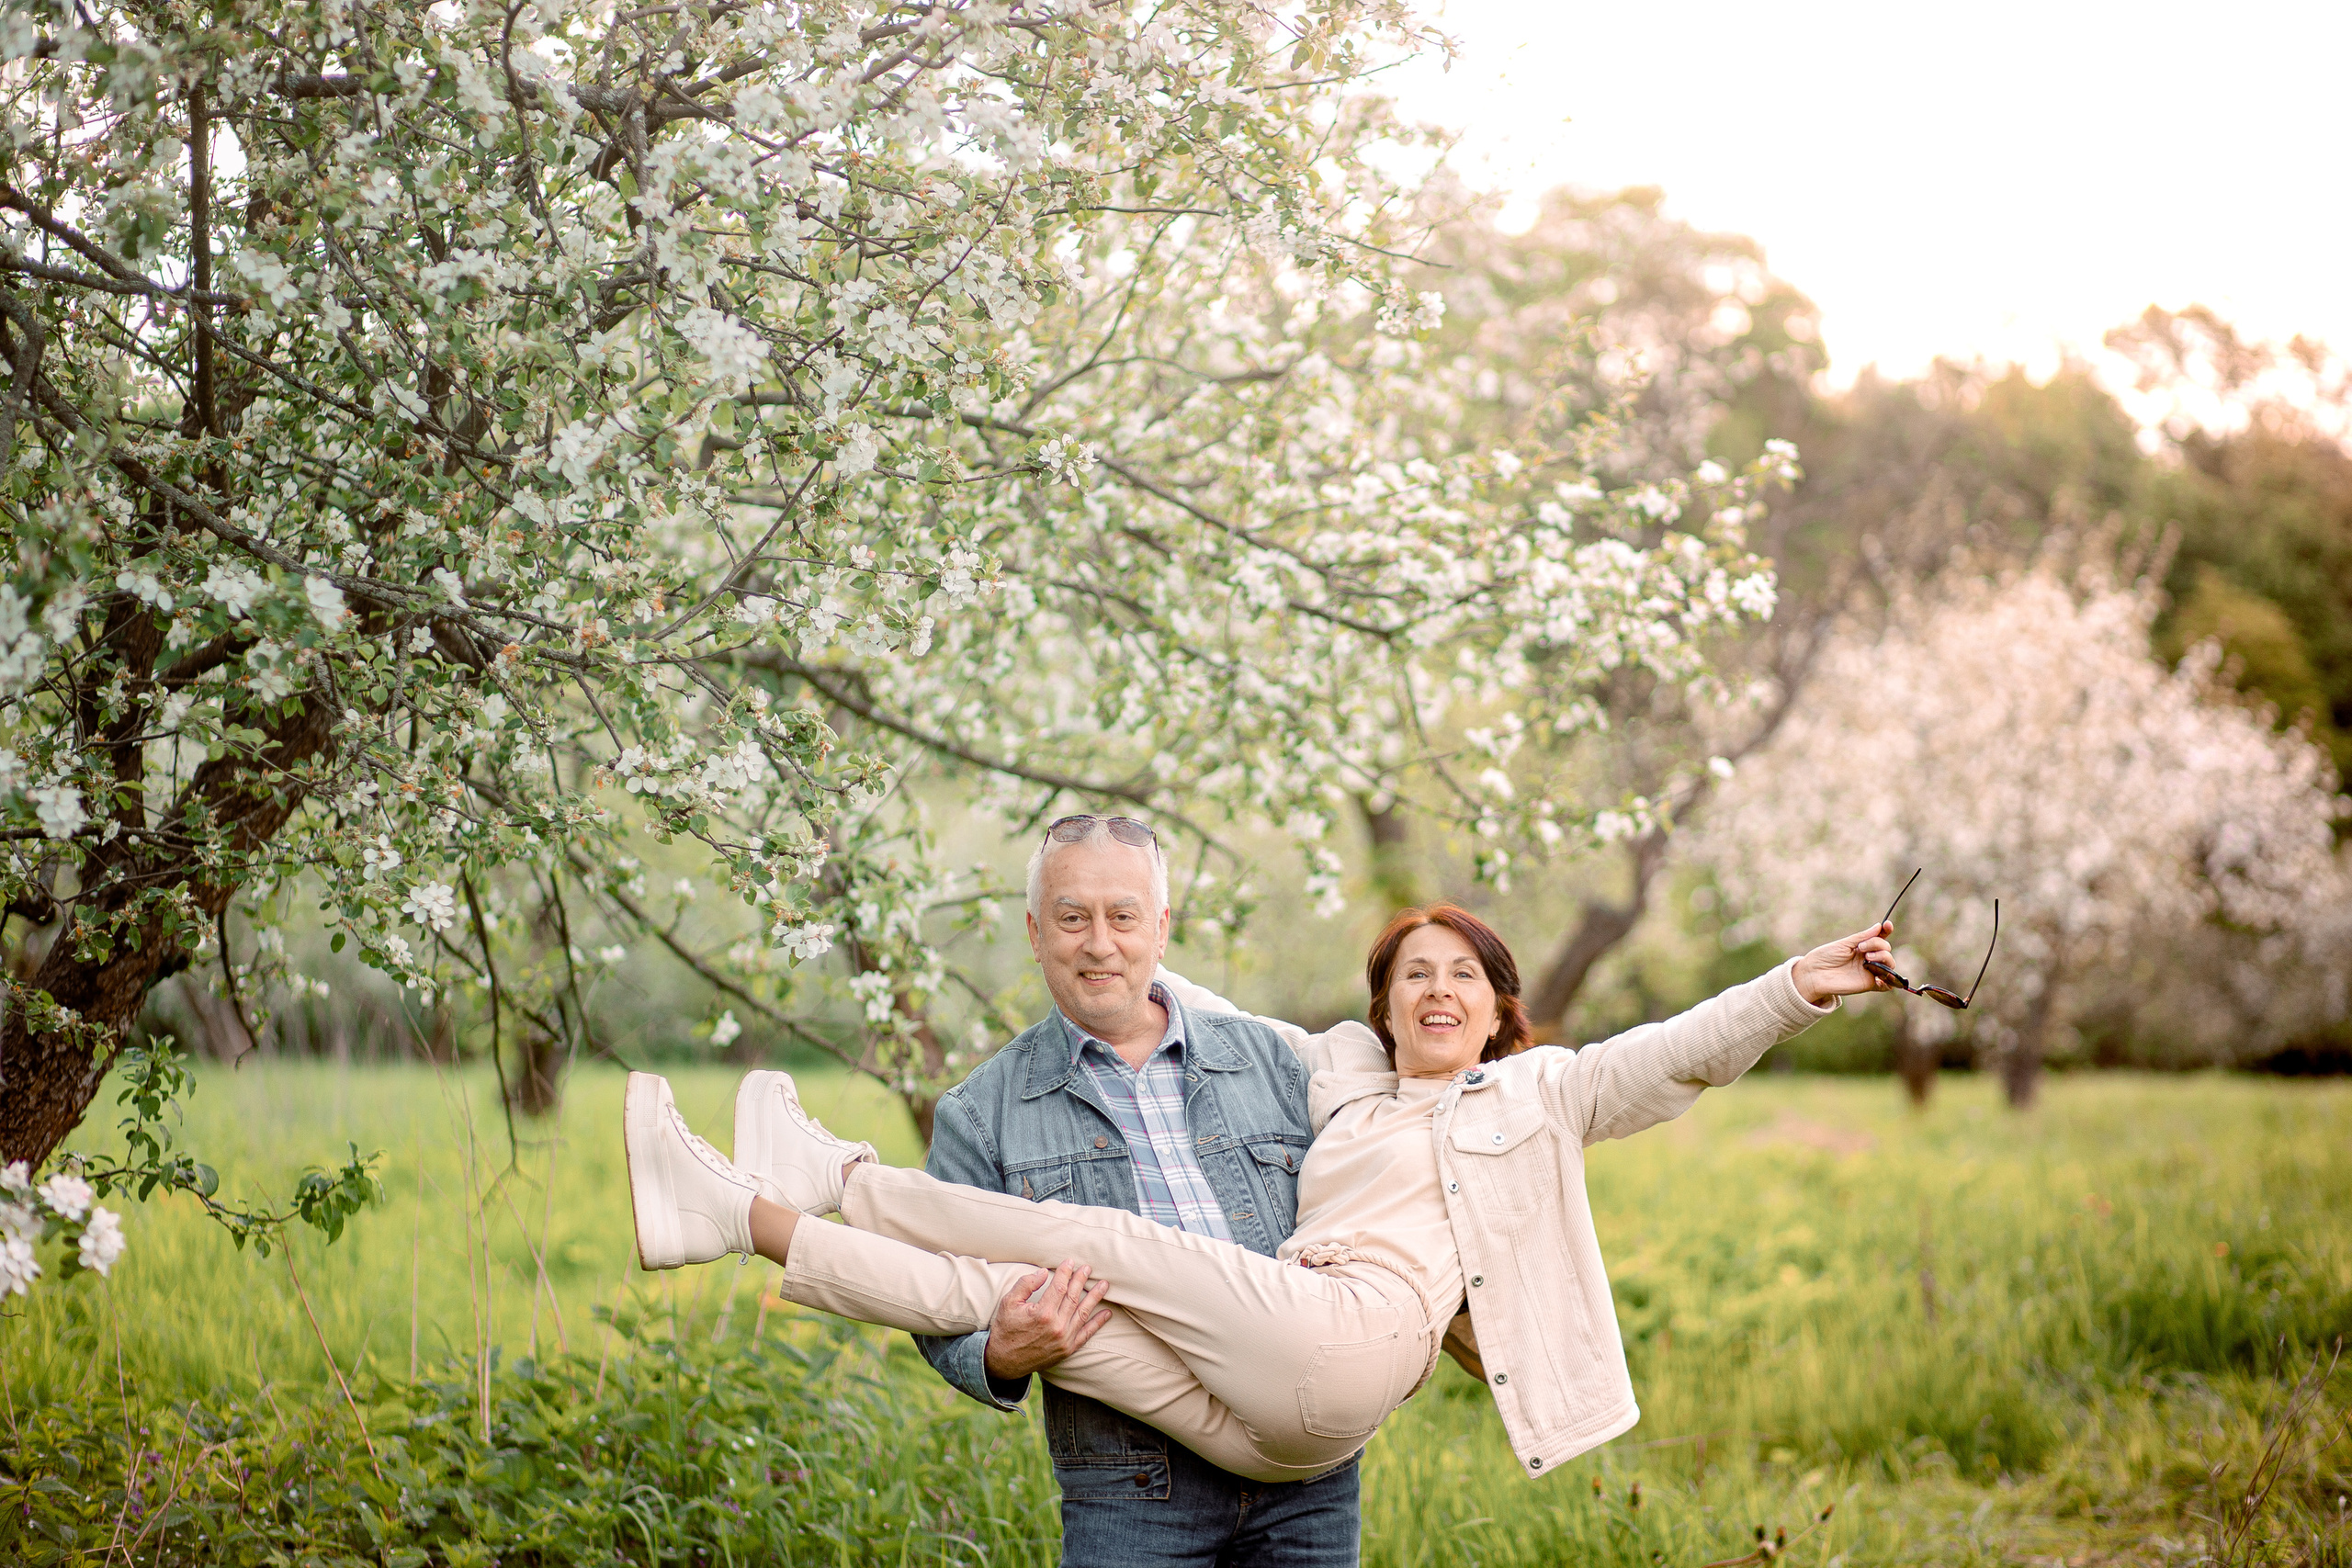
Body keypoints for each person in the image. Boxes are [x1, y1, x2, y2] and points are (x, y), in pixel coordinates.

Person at [622, 882, 1899, 1483]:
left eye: (1462, 973)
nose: (1437, 989)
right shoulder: (1334, 1073)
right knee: (1014, 1287)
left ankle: (837, 1169)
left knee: (1097, 1232)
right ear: (1385, 1003)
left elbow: (1681, 1051)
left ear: (1501, 1008)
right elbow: (1199, 1005)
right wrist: (1123, 934)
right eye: (1413, 973)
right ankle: (741, 1217)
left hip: (1354, 1337)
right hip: (1281, 1412)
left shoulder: (1541, 1090)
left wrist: (1800, 983)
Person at [906, 814, 1367, 1564]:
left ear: (1160, 926)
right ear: (1034, 930)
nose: (1099, 942)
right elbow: (931, 1300)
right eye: (1072, 917)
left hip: (1307, 1478)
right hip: (1132, 1489)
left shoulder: (1275, 1064)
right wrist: (997, 1352)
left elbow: (1361, 1202)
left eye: (1122, 916)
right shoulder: (980, 1113)